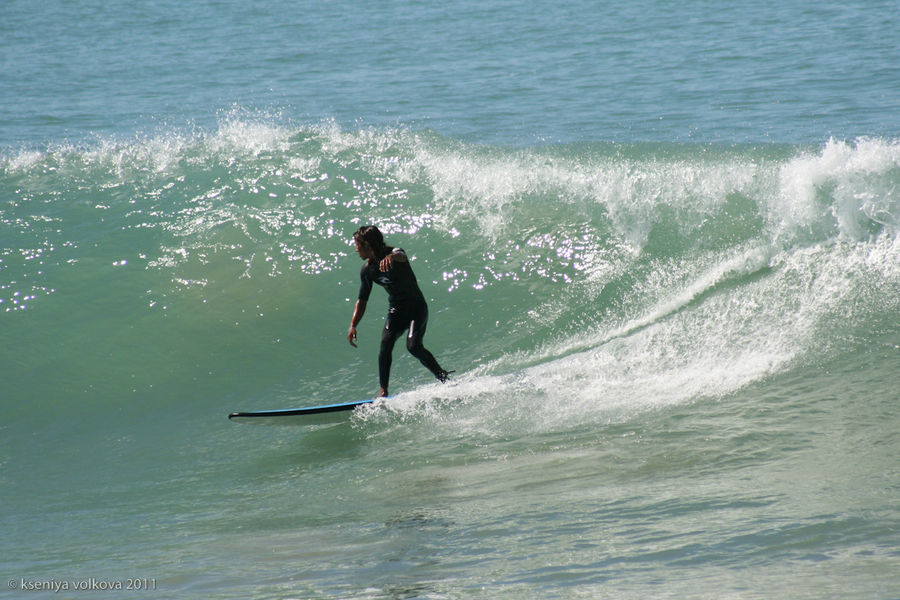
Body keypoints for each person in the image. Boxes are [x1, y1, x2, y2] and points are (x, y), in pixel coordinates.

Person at [347, 225, 452, 397]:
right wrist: (353, 325)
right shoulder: (367, 270)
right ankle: (383, 392)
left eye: (357, 244)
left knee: (414, 346)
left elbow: (401, 255)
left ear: (367, 245)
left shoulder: (395, 253)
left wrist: (391, 257)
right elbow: (362, 300)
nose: (355, 248)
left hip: (416, 308)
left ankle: (443, 377)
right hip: (396, 311)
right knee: (385, 345)